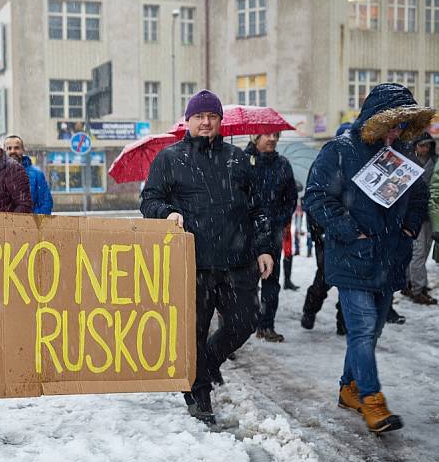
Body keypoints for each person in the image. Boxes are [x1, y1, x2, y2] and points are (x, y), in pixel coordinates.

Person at [140, 90, 273, 425]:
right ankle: (198, 394)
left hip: (238, 261)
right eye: (199, 116)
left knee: (245, 322)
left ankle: (209, 363)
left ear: (219, 121)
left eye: (212, 116)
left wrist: (264, 246)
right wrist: (166, 211)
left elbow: (257, 208)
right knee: (194, 332)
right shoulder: (170, 158)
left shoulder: (237, 158)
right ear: (188, 120)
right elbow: (149, 201)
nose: (206, 122)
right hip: (194, 263)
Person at [303, 83, 431, 433]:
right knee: (360, 331)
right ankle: (373, 402)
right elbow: (315, 198)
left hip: (390, 258)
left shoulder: (405, 153)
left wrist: (407, 232)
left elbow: (419, 197)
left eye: (402, 126)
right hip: (352, 258)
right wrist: (350, 231)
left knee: (371, 333)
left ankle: (349, 387)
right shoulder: (339, 151)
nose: (396, 132)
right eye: (391, 124)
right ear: (374, 119)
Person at [245, 132, 298, 342]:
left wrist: (278, 219)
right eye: (267, 134)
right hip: (247, 232)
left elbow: (291, 197)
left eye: (275, 135)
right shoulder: (243, 161)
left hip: (273, 231)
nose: (272, 138)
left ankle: (266, 325)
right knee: (245, 282)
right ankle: (239, 326)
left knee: (271, 281)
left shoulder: (283, 164)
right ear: (255, 137)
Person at [402, 133, 437, 304]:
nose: (425, 149)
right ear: (415, 146)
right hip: (415, 214)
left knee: (423, 251)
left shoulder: (434, 162)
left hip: (431, 213)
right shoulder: (408, 162)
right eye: (422, 145)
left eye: (428, 146)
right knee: (417, 251)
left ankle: (412, 282)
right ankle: (417, 288)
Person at [3, 134, 54, 214]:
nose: (13, 151)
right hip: (3, 224)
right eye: (9, 148)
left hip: (29, 224)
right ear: (4, 151)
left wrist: (32, 221)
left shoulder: (37, 174)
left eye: (16, 148)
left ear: (23, 150)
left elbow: (46, 203)